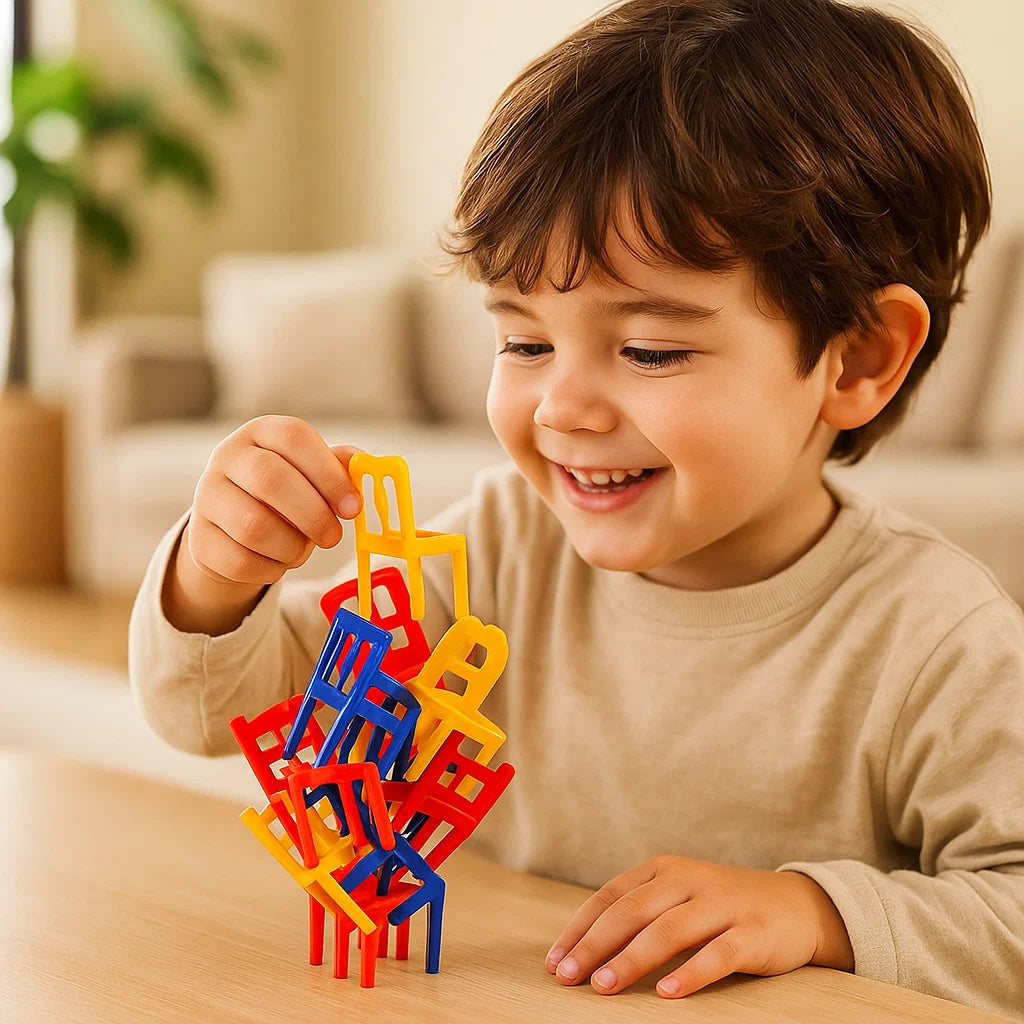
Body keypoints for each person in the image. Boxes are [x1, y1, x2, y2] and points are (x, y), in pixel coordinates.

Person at [129, 0, 1024, 1015]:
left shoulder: (936, 638)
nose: (560, 405)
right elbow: (237, 720)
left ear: (857, 359)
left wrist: (815, 910)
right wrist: (216, 572)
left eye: (648, 349)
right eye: (522, 341)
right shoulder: (498, 547)